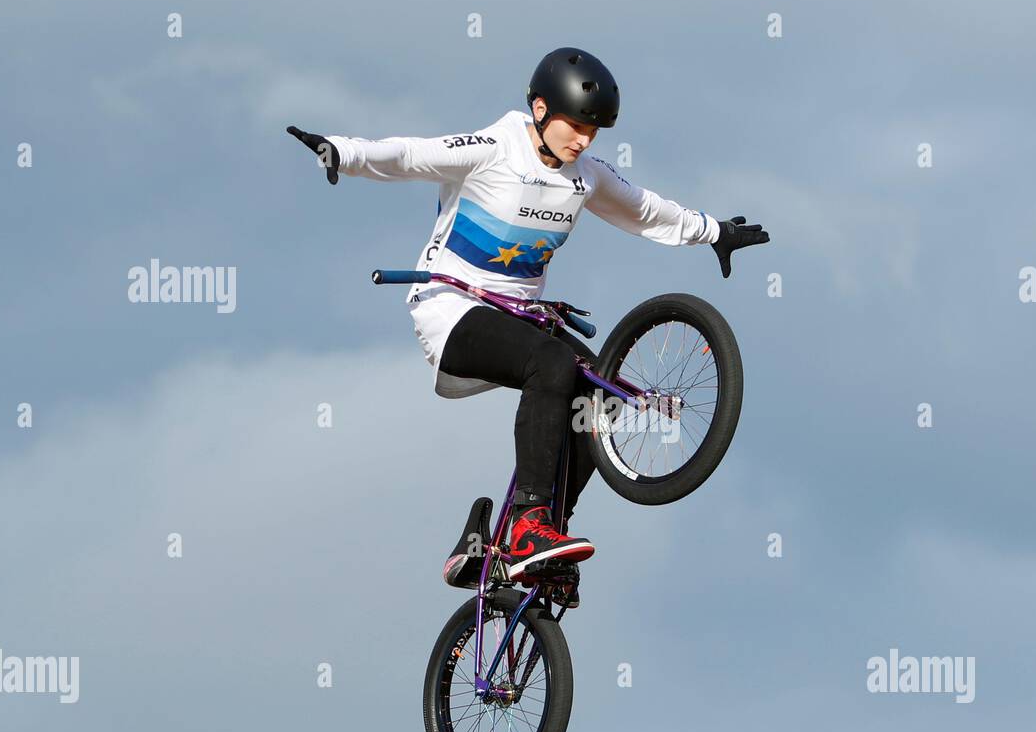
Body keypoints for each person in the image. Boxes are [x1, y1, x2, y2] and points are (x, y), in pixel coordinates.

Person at [287, 48, 769, 605]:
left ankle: (533, 543)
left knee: (597, 389)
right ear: (539, 109)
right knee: (554, 363)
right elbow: (412, 155)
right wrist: (342, 152)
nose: (584, 140)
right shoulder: (495, 148)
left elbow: (644, 209)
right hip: (452, 311)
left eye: (593, 129)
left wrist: (714, 231)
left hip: (520, 320)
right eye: (575, 124)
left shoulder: (585, 177)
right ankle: (526, 523)